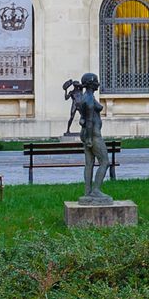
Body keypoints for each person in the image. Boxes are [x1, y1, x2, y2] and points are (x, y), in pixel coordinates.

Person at [61, 73, 113, 202]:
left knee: (89, 163)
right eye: (96, 81)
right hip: (93, 135)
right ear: (90, 84)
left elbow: (84, 118)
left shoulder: (86, 97)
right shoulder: (89, 100)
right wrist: (90, 139)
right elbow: (89, 121)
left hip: (86, 134)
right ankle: (95, 191)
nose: (98, 84)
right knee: (105, 162)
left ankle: (87, 191)